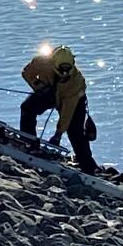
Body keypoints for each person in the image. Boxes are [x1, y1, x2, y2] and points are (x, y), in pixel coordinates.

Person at [20, 45, 98, 173]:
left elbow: (67, 111)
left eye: (67, 72)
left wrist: (58, 134)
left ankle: (88, 166)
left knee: (75, 131)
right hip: (48, 92)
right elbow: (27, 72)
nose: (64, 75)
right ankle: (28, 142)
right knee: (27, 108)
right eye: (61, 72)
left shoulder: (76, 82)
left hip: (72, 100)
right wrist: (38, 85)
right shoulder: (41, 62)